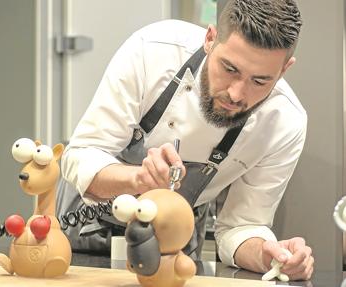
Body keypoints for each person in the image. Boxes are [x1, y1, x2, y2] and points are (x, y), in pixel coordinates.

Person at [57, 0, 314, 281]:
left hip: (175, 246)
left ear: (285, 69)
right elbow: (82, 154)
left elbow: (242, 227)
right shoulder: (152, 50)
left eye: (260, 81)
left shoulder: (284, 123)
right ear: (210, 38)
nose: (237, 94)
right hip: (85, 228)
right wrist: (138, 179)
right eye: (229, 69)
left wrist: (268, 255)